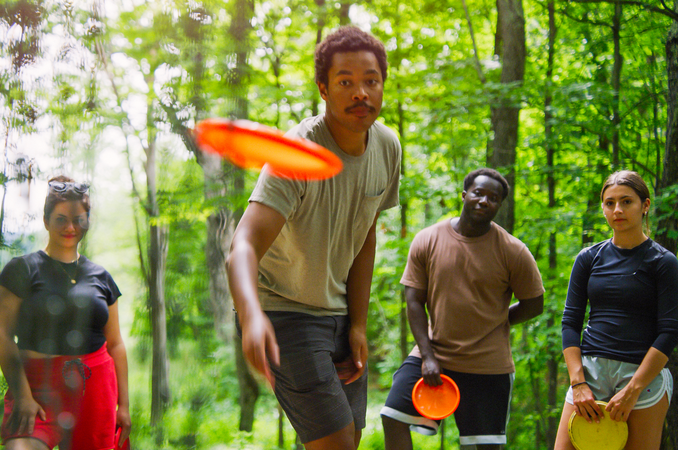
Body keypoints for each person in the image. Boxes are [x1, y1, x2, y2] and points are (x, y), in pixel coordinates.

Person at [226, 26, 400, 450]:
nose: (360, 92)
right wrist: (250, 316)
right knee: (336, 444)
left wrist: (357, 323)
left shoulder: (387, 146)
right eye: (345, 82)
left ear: (382, 84)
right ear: (323, 89)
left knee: (350, 439)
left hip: (338, 313)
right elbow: (242, 247)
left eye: (370, 80)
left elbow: (365, 235)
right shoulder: (296, 156)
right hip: (283, 312)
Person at [381, 168, 545, 450]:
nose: (484, 201)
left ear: (499, 206)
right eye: (478, 193)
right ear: (464, 195)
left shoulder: (513, 250)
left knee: (482, 446)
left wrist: (496, 320)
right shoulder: (428, 239)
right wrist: (428, 356)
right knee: (393, 416)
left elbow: (534, 304)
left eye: (493, 198)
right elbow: (413, 300)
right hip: (433, 353)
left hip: (487, 365)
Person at [0, 176, 131, 450]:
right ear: (46, 221)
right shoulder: (21, 269)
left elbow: (115, 344)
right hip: (37, 387)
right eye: (61, 219)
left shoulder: (101, 276)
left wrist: (124, 406)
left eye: (78, 219)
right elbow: (1, 336)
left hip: (95, 389)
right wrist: (22, 395)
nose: (70, 227)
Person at [554, 170, 678, 450]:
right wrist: (578, 384)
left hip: (641, 380)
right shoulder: (588, 258)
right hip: (589, 374)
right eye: (609, 203)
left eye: (626, 201)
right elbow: (570, 323)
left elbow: (669, 331)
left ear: (645, 205)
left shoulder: (663, 262)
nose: (617, 210)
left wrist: (632, 390)